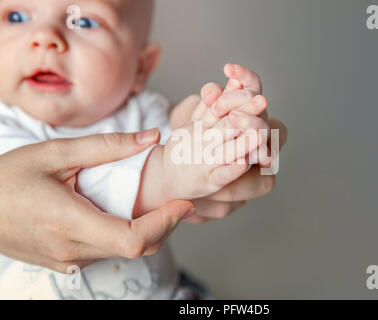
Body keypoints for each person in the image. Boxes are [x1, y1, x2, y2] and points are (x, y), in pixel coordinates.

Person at [0, 0, 287, 299]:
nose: (45, 37)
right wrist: (170, 174)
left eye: (83, 22)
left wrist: (220, 125)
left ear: (140, 68)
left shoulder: (142, 114)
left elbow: (182, 143)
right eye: (17, 16)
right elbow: (66, 193)